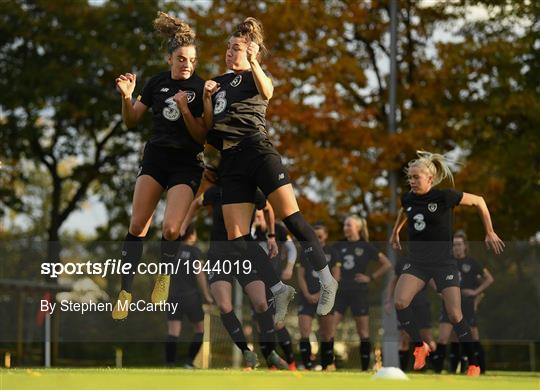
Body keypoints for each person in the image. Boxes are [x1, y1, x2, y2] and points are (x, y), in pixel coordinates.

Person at [195, 17, 338, 316]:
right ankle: (278, 288)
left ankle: (327, 280)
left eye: (237, 48)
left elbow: (269, 91)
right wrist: (207, 99)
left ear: (251, 52)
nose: (230, 53)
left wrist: (253, 60)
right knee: (237, 237)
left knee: (292, 217)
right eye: (229, 48)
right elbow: (208, 127)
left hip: (257, 150)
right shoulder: (217, 82)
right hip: (230, 161)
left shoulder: (255, 76)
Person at [112, 12, 206, 320]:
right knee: (138, 225)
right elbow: (131, 120)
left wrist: (183, 107)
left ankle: (163, 277)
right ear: (170, 58)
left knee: (171, 228)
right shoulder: (156, 82)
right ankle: (125, 290)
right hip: (156, 158)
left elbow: (201, 134)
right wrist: (126, 98)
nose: (187, 64)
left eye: (191, 60)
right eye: (181, 59)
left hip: (186, 163)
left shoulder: (202, 88)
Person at [390, 151, 504, 377]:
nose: (412, 181)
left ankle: (473, 362)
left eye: (416, 177)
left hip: (443, 264)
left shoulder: (445, 197)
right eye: (410, 178)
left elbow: (480, 201)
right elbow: (405, 211)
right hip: (417, 262)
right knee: (400, 302)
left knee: (454, 315)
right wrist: (396, 231)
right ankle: (419, 346)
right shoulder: (408, 198)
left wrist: (489, 231)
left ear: (430, 179)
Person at [180, 181, 291, 369]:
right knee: (224, 306)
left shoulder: (252, 191)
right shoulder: (215, 191)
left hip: (244, 254)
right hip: (218, 255)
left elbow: (269, 209)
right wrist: (183, 226)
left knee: (262, 303)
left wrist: (271, 236)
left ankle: (270, 352)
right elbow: (195, 204)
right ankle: (246, 351)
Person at [333, 215, 392, 370]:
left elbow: (387, 264)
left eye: (349, 225)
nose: (345, 228)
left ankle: (365, 368)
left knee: (363, 331)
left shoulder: (366, 246)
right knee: (330, 327)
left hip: (358, 292)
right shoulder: (338, 246)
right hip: (340, 292)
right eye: (345, 225)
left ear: (358, 228)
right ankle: (327, 365)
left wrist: (370, 277)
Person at [432, 231, 494, 374]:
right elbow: (432, 278)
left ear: (465, 246)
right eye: (454, 245)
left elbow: (489, 278)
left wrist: (475, 292)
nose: (456, 248)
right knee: (444, 337)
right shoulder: (446, 262)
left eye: (459, 244)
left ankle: (480, 369)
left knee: (472, 337)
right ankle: (439, 371)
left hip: (466, 305)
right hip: (449, 304)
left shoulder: (472, 263)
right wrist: (440, 291)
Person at [165, 224, 213, 368]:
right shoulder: (194, 251)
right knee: (200, 329)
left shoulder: (172, 250)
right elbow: (200, 274)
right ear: (192, 234)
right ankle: (188, 362)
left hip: (172, 297)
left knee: (173, 331)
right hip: (191, 296)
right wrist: (207, 295)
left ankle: (170, 364)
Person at [297, 223, 339, 370]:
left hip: (326, 296)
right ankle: (307, 365)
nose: (317, 239)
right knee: (304, 331)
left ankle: (326, 365)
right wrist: (308, 294)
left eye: (320, 236)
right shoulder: (305, 251)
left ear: (326, 236)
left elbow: (336, 276)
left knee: (327, 334)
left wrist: (320, 293)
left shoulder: (332, 252)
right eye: (314, 236)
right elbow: (300, 276)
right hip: (306, 297)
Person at [385, 256, 435, 371]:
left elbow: (433, 281)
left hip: (421, 305)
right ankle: (402, 371)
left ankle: (434, 368)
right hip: (406, 305)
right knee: (404, 337)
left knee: (426, 337)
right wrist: (388, 300)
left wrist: (445, 295)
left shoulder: (428, 260)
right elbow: (393, 282)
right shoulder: (402, 261)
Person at [252, 212, 297, 281]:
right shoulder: (250, 229)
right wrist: (253, 227)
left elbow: (292, 248)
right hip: (253, 274)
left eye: (258, 216)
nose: (256, 218)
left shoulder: (278, 229)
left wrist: (289, 268)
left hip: (275, 272)